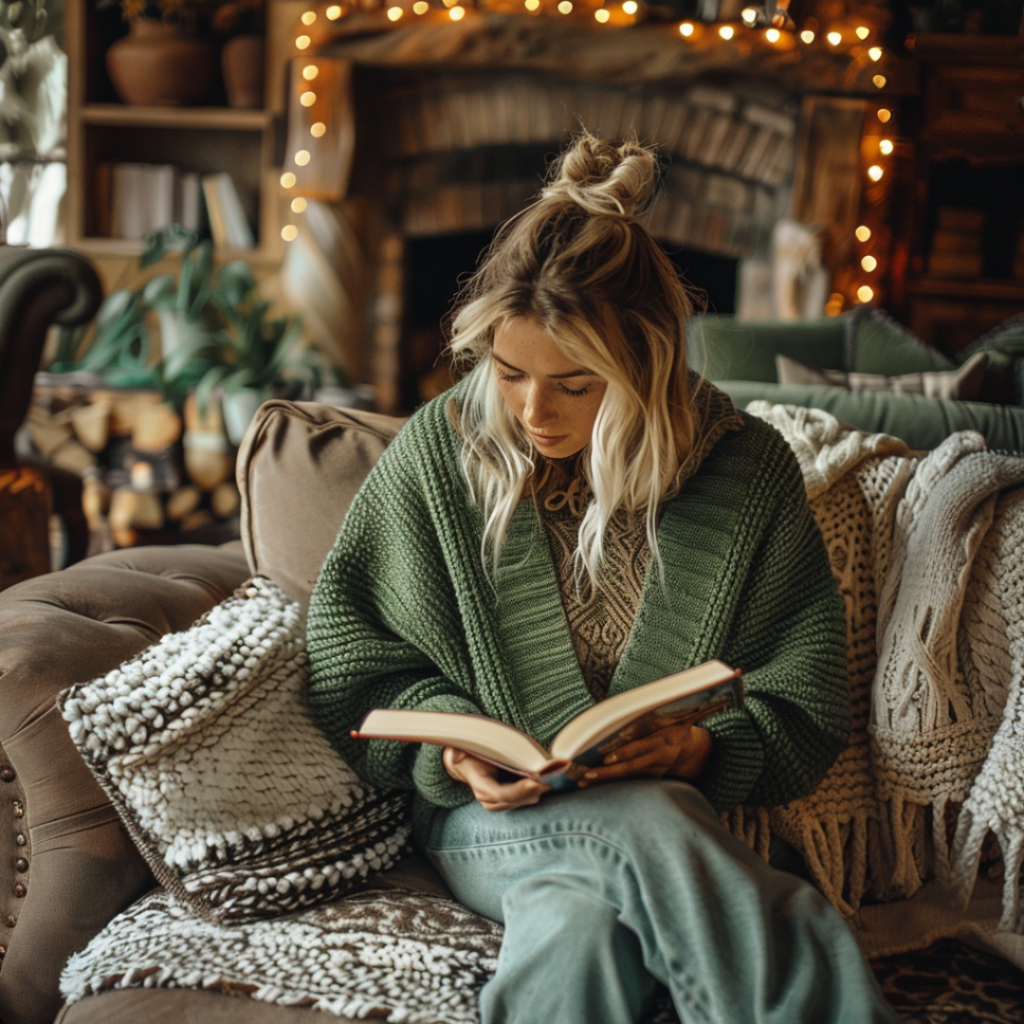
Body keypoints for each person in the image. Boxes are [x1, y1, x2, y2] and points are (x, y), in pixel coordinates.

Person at [307, 133, 898, 1024]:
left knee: (581, 928)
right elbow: (349, 661)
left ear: (646, 362)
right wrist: (450, 749)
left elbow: (806, 701)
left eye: (576, 386)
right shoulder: (441, 453)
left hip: (660, 820)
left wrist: (702, 749)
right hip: (488, 826)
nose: (534, 412)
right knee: (650, 825)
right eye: (510, 375)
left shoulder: (746, 471)